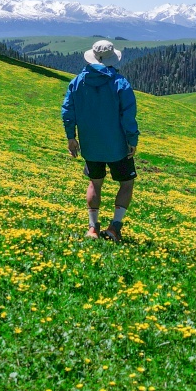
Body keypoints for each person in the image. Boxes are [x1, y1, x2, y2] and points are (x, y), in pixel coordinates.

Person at [61, 39, 140, 242]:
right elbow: (128, 116)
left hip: (90, 143)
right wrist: (132, 139)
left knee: (95, 183)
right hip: (118, 145)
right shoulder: (120, 83)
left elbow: (68, 112)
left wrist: (71, 137)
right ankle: (114, 227)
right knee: (126, 183)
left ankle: (92, 228)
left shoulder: (77, 81)